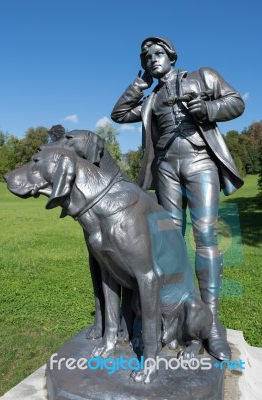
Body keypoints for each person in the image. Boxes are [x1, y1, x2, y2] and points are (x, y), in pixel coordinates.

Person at [111, 36, 245, 361]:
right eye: (147, 58)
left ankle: (210, 327)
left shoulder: (202, 76)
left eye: (158, 54)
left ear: (172, 56)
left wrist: (208, 108)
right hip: (166, 170)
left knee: (206, 236)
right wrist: (137, 84)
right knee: (169, 244)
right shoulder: (151, 98)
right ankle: (172, 320)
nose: (153, 60)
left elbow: (236, 101)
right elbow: (119, 113)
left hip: (200, 164)